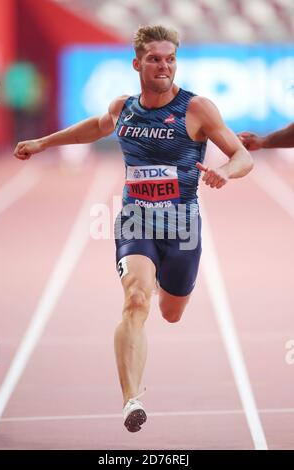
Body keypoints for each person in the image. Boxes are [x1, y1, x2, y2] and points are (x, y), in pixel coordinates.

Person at [14, 25, 253, 433]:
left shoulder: (197, 109)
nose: (164, 66)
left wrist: (225, 172)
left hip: (182, 226)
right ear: (137, 63)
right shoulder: (124, 107)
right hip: (135, 219)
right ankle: (131, 400)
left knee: (171, 312)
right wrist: (43, 143)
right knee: (136, 301)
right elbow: (94, 126)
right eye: (155, 59)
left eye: (170, 59)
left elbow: (242, 155)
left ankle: (162, 281)